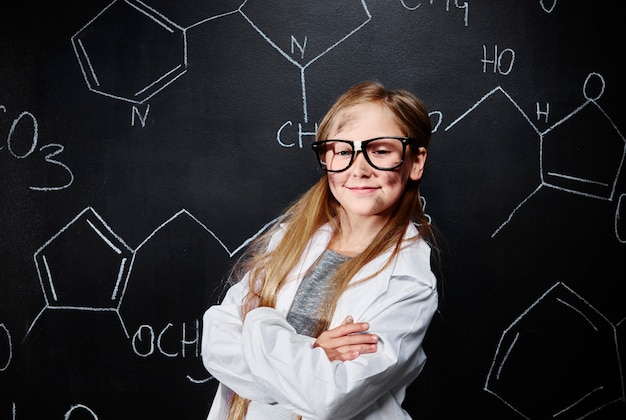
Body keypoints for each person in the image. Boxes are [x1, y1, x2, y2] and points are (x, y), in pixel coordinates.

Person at [201, 80, 439, 420]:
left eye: (381, 151)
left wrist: (257, 322)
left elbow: (329, 395)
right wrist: (312, 349)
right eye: (343, 151)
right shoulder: (290, 239)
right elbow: (216, 344)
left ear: (415, 162)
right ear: (327, 160)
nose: (359, 168)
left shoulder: (409, 281)